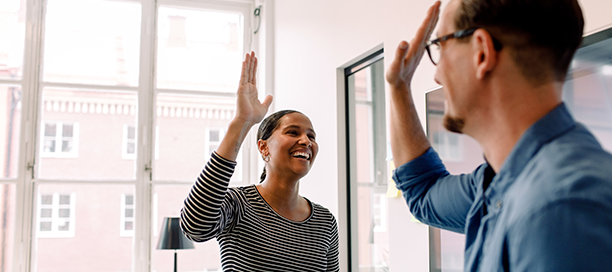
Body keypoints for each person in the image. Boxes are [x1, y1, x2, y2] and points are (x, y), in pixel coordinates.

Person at [387, 0, 612, 271]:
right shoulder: (500, 181)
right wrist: (399, 87)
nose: (437, 75)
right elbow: (424, 193)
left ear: (481, 52)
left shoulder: (559, 209)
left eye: (441, 46)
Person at [179, 52, 340, 271]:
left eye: (312, 136)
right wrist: (241, 123)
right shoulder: (238, 204)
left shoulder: (325, 222)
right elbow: (195, 227)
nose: (306, 141)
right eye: (293, 132)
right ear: (263, 147)